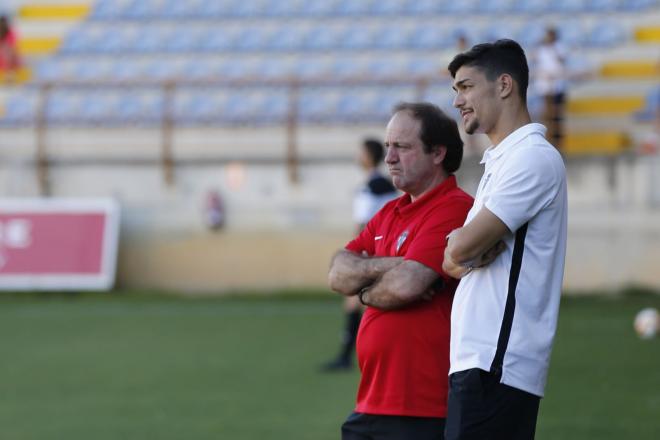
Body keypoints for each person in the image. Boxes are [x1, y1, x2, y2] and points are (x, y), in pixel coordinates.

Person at [443, 39, 567, 439]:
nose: (458, 100)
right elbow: (453, 259)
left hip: (498, 364)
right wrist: (466, 248)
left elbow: (458, 250)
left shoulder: (532, 157)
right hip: (481, 364)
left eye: (466, 87)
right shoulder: (503, 159)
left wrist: (466, 247)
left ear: (504, 85)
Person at [328, 102, 473, 440]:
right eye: (388, 146)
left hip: (421, 408)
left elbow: (406, 286)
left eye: (402, 147)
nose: (389, 157)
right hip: (370, 405)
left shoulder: (454, 208)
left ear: (437, 153)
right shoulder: (390, 212)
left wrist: (365, 282)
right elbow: (337, 273)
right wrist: (397, 265)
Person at [321, 138, 398, 372]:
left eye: (360, 152)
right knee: (368, 304)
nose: (358, 155)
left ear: (368, 156)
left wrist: (355, 255)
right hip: (388, 249)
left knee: (358, 302)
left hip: (371, 253)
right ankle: (359, 356)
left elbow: (363, 225)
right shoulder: (386, 184)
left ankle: (353, 357)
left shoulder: (369, 187)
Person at [532, 27, 568, 150]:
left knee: (557, 115)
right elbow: (536, 61)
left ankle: (558, 143)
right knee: (547, 115)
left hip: (557, 86)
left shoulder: (559, 47)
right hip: (545, 87)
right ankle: (549, 140)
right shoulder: (541, 49)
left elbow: (562, 61)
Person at [0, 15, 22, 82]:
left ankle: (10, 73)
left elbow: (13, 48)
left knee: (7, 50)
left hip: (9, 62)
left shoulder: (10, 34)